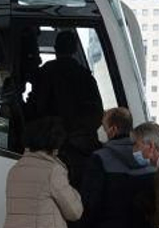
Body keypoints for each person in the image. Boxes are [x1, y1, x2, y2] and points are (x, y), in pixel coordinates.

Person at [24, 30, 105, 185]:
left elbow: (34, 110)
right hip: (80, 151)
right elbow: (96, 114)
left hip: (48, 148)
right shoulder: (85, 76)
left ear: (55, 48)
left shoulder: (45, 73)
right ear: (74, 50)